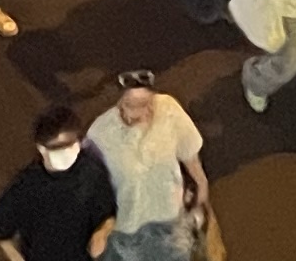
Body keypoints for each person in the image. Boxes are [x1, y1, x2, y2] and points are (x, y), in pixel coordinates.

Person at [81, 72, 208, 261]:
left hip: (172, 226)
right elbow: (86, 188)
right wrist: (101, 229)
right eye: (131, 105)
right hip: (127, 235)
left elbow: (192, 160)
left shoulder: (169, 110)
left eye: (147, 103)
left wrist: (201, 199)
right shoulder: (100, 134)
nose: (142, 112)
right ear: (119, 101)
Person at [0, 110, 114, 261]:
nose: (67, 154)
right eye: (59, 149)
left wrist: (103, 232)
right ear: (41, 148)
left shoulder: (92, 172)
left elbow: (108, 213)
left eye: (72, 146)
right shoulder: (27, 186)